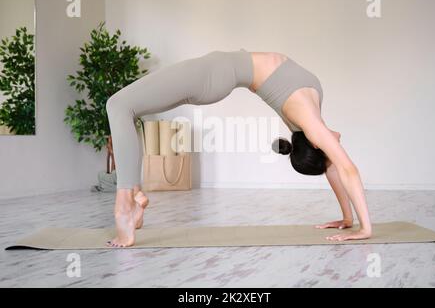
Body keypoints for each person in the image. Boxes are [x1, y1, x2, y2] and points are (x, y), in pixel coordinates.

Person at [105, 49, 372, 247]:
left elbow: (347, 169)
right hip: (217, 75)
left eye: (331, 147)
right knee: (126, 108)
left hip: (215, 72)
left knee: (119, 106)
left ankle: (124, 206)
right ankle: (135, 195)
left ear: (317, 144)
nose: (338, 144)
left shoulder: (311, 125)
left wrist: (365, 229)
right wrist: (347, 218)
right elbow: (334, 167)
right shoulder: (309, 120)